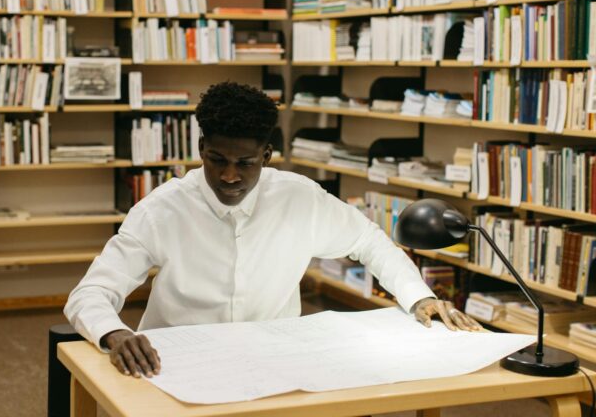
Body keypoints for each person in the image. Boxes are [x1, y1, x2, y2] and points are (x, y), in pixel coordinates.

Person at [64, 82, 481, 379]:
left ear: (266, 155)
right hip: (175, 365)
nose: (229, 175)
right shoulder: (163, 209)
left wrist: (419, 298)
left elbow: (369, 241)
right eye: (216, 159)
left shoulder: (298, 198)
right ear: (200, 150)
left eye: (244, 162)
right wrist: (115, 332)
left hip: (274, 361)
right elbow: (90, 293)